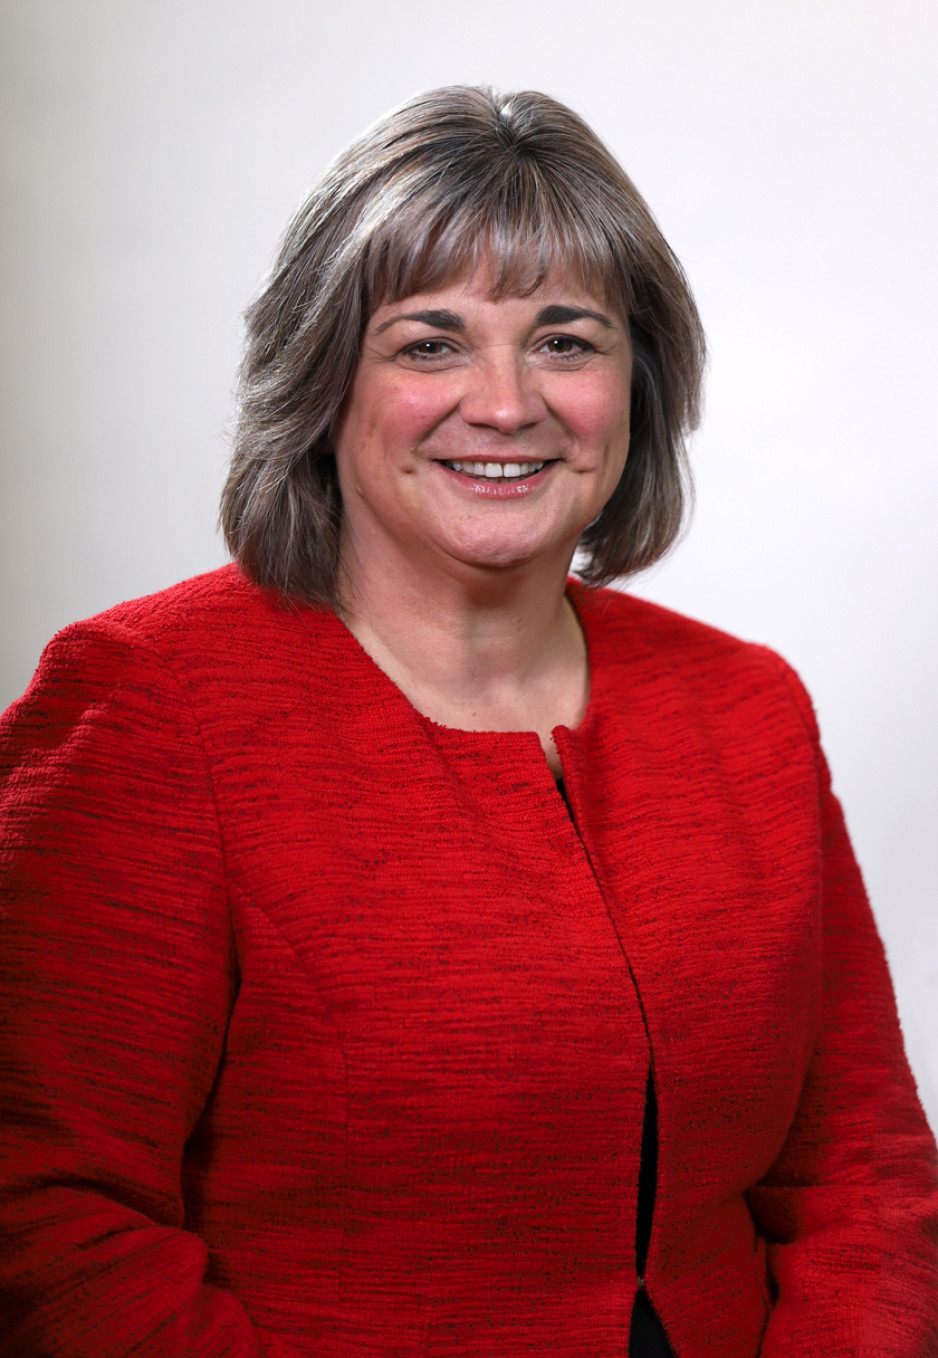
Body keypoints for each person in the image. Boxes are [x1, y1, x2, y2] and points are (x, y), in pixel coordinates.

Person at [0, 85, 936, 1358]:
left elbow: (860, 1169)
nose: (503, 403)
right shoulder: (148, 709)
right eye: (429, 343)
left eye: (564, 340)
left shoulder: (745, 709)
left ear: (637, 381)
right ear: (324, 380)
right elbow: (50, 1217)